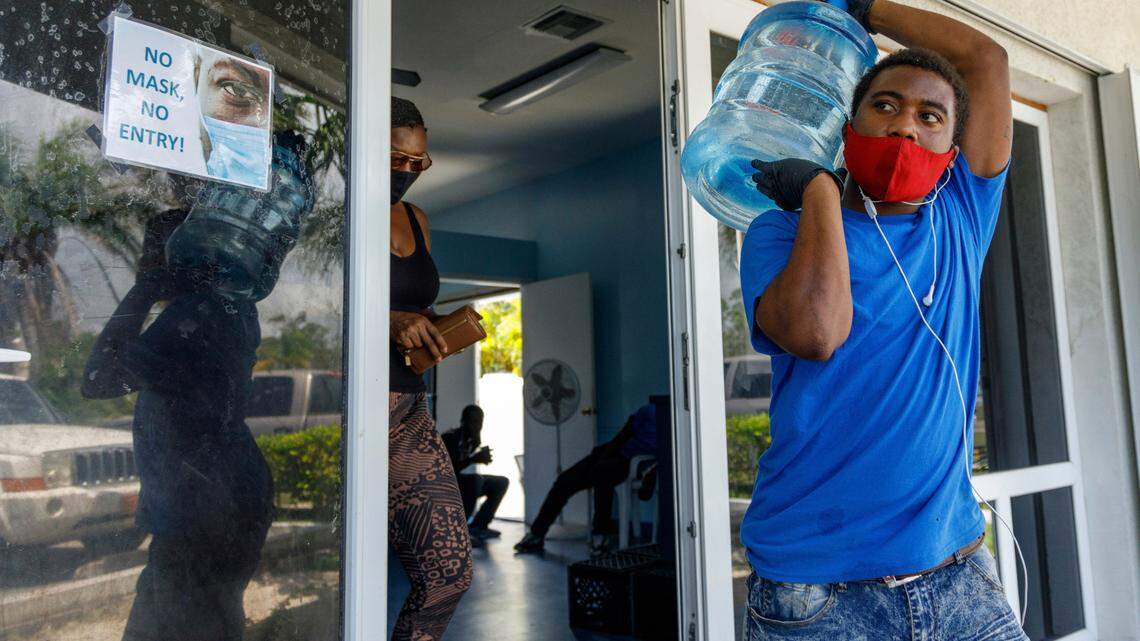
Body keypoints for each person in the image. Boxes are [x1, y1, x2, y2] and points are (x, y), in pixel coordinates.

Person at [739, 0, 1025, 639]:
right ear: (850, 127)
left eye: (931, 117)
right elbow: (817, 333)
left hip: (958, 578)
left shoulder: (959, 218)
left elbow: (987, 61)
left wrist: (865, 7)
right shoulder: (779, 232)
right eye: (886, 106)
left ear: (954, 151)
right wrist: (818, 192)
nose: (905, 129)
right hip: (816, 594)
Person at [81, 184, 272, 641]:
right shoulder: (228, 311)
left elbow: (97, 380)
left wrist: (144, 290)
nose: (144, 264)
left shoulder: (196, 319)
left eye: (153, 254)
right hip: (216, 501)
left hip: (203, 510)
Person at [387, 96, 472, 641]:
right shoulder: (335, 207)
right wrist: (389, 318)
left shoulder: (417, 218)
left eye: (419, 163)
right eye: (397, 158)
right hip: (351, 407)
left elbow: (412, 304)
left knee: (449, 574)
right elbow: (317, 303)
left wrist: (437, 326)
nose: (408, 173)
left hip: (409, 408)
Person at [514, 403, 657, 555]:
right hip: (611, 453)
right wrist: (605, 454)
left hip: (630, 461)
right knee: (564, 480)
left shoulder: (674, 420)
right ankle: (536, 534)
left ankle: (600, 535)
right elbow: (624, 434)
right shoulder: (649, 410)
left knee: (602, 475)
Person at [441, 405, 510, 541]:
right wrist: (473, 459)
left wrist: (479, 458)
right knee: (475, 480)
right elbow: (447, 471)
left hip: (458, 481)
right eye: (473, 422)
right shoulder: (450, 438)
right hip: (444, 485)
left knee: (501, 482)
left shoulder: (473, 440)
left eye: (480, 422)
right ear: (463, 422)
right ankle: (461, 531)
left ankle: (479, 526)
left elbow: (463, 462)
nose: (477, 426)